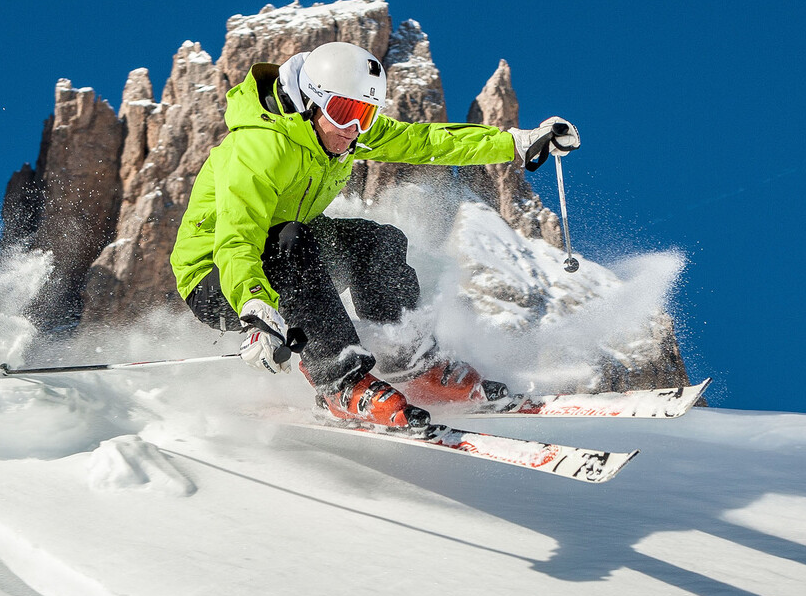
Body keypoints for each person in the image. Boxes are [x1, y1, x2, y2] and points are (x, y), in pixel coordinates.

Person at [169, 41, 578, 429]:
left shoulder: (340, 134)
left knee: (377, 242)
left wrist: (516, 143)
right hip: (220, 279)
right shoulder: (259, 149)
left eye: (364, 115)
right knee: (291, 240)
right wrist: (254, 308)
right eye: (344, 111)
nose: (353, 128)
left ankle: (411, 364)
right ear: (309, 100)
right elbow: (237, 239)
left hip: (291, 257)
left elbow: (424, 141)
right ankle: (338, 383)